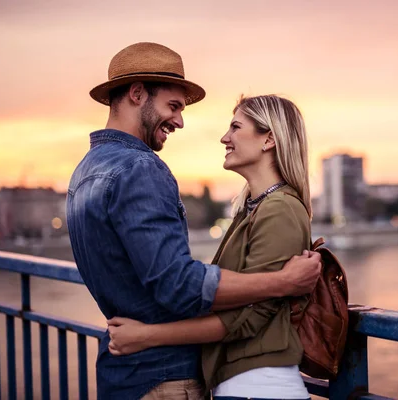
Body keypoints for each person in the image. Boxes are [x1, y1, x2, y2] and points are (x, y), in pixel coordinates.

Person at [66, 42, 321, 400]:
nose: (180, 121)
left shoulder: (85, 173)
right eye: (173, 106)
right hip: (163, 377)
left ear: (270, 140)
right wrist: (282, 282)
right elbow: (178, 284)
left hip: (127, 373)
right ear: (137, 94)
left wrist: (144, 335)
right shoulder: (139, 168)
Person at [106, 94, 314, 400]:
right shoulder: (254, 209)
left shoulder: (280, 209)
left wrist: (147, 336)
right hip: (244, 385)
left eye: (235, 127)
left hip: (261, 388)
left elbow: (246, 318)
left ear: (268, 139)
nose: (224, 138)